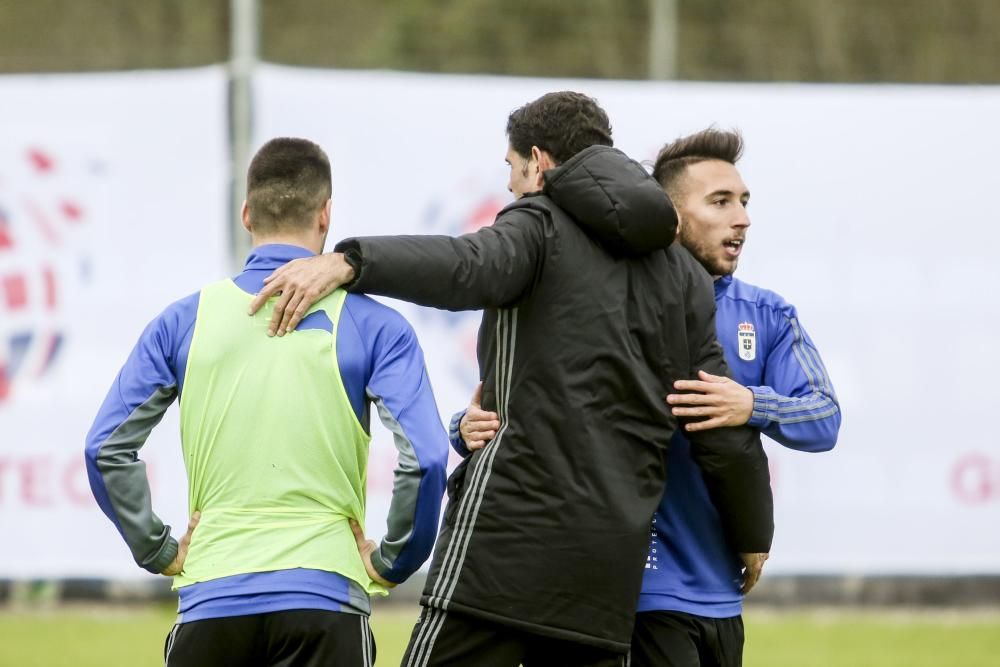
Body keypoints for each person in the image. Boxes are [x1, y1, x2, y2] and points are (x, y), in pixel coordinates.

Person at [249, 93, 774, 666]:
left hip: (500, 554)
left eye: (511, 168)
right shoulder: (684, 275)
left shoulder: (538, 225)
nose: (508, 185)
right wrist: (753, 532)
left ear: (539, 162)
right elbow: (714, 416)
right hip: (605, 572)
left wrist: (349, 262)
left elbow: (462, 267)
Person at [459, 128, 840, 666]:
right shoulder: (608, 301)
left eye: (745, 202)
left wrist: (753, 404)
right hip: (635, 598)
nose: (743, 219)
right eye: (721, 201)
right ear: (672, 215)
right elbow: (543, 397)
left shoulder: (768, 314)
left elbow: (824, 417)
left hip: (724, 595)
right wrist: (465, 424)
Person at [84, 137, 448, 667]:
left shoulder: (182, 322)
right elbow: (427, 455)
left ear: (246, 214)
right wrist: (394, 561)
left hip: (212, 598)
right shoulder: (377, 327)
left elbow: (105, 448)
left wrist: (158, 548)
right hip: (325, 600)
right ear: (326, 215)